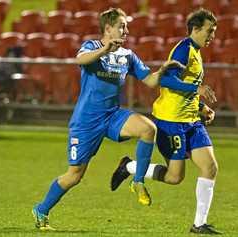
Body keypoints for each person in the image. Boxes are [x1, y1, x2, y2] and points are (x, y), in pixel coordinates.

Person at [32, 8, 184, 231]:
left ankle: (138, 181)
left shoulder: (127, 55)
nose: (126, 30)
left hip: (113, 115)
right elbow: (80, 60)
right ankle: (41, 210)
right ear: (108, 28)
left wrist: (162, 70)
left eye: (126, 26)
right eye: (122, 26)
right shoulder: (93, 47)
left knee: (148, 129)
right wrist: (104, 49)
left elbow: (150, 82)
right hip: (86, 121)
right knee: (74, 176)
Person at [111, 8, 222, 235]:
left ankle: (199, 224)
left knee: (210, 167)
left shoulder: (196, 51)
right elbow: (167, 80)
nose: (212, 36)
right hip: (170, 122)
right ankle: (129, 166)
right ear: (196, 29)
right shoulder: (183, 50)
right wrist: (197, 89)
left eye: (214, 32)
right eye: (210, 31)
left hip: (191, 121)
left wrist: (200, 107)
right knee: (174, 177)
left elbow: (184, 89)